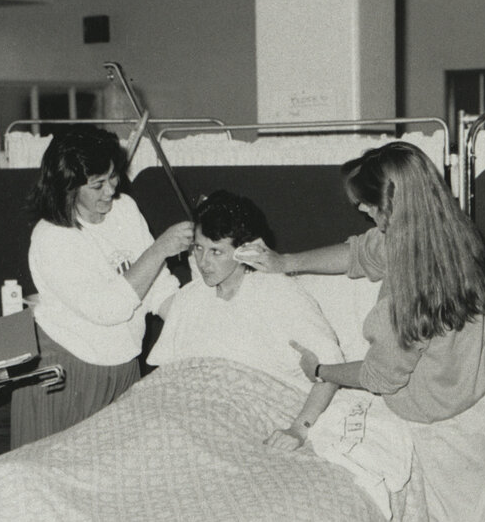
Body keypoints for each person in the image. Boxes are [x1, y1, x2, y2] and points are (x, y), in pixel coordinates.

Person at [236, 141, 485, 522]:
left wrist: (321, 369)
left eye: (366, 205)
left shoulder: (411, 289)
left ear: (391, 207)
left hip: (451, 417)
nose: (361, 213)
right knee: (484, 516)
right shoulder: (448, 230)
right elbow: (360, 254)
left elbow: (382, 375)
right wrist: (286, 263)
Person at [10, 124, 193, 447]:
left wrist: (195, 321)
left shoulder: (124, 209)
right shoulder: (52, 237)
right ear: (68, 187)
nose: (110, 190)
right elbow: (109, 308)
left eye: (113, 177)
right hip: (69, 371)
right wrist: (159, 249)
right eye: (97, 185)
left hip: (122, 365)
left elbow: (157, 287)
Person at [147, 190, 344, 448]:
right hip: (191, 417)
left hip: (259, 418)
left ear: (245, 251)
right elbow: (167, 377)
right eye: (198, 248)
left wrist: (298, 429)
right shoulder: (190, 298)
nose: (203, 262)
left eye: (216, 252)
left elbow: (331, 370)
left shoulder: (280, 293)